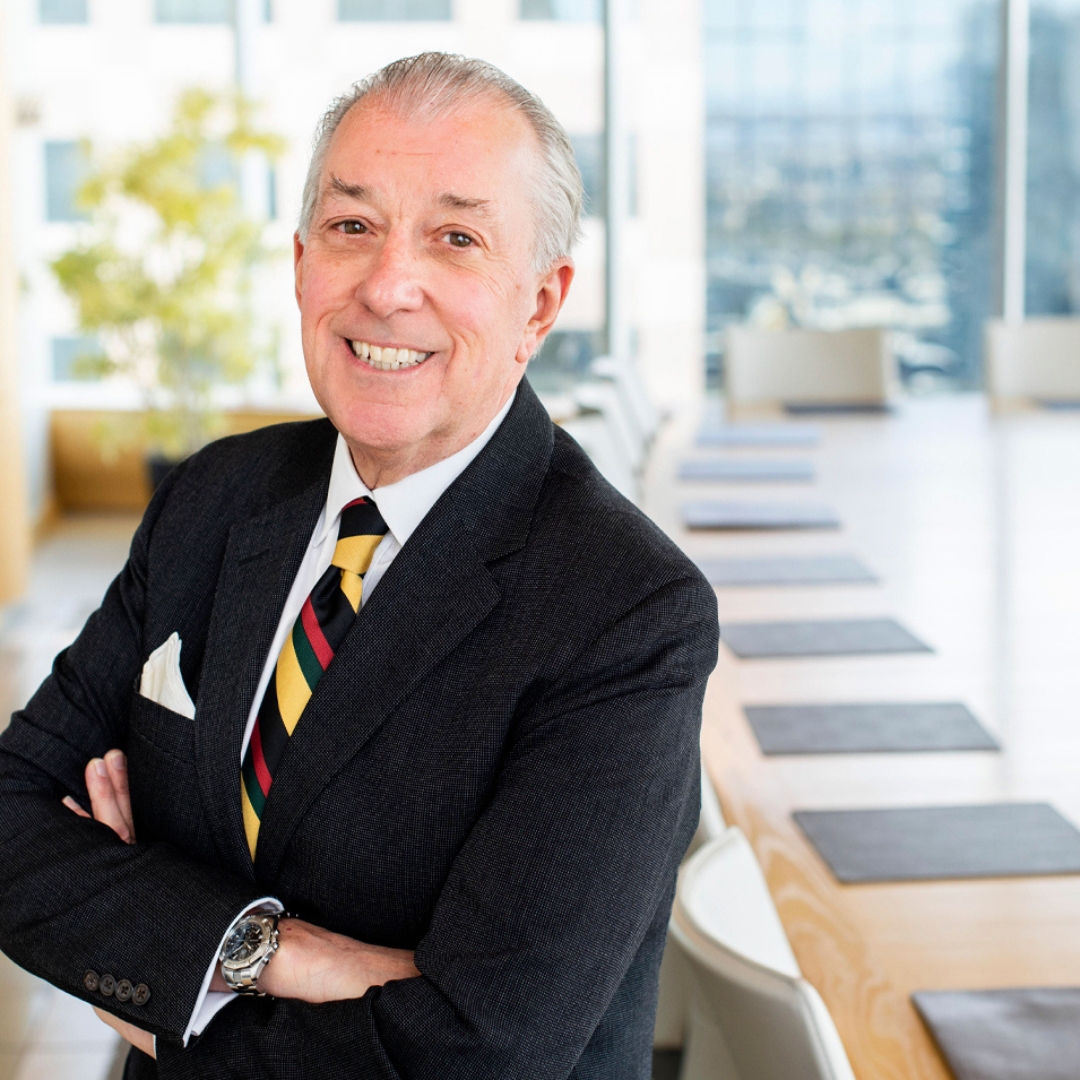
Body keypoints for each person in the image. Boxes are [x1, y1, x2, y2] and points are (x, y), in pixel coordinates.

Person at [0, 53, 718, 1079]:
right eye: (352, 226)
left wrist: (160, 979)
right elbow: (13, 814)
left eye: (457, 238)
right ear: (301, 264)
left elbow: (483, 1054)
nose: (387, 286)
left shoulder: (626, 611)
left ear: (539, 304)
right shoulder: (215, 497)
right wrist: (272, 952)